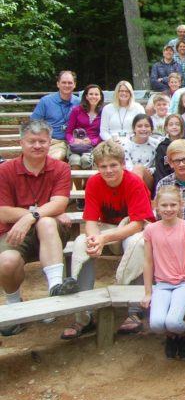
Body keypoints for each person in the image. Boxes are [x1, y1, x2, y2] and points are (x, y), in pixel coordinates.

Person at [66, 141, 154, 338]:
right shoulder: (94, 182)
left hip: (132, 226)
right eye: (103, 166)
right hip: (109, 228)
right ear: (97, 167)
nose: (108, 170)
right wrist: (94, 239)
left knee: (138, 244)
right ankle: (84, 313)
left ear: (123, 164)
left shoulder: (134, 182)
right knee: (82, 242)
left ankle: (134, 310)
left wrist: (104, 238)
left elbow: (138, 224)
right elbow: (90, 219)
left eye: (113, 165)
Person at [0, 120, 78, 336]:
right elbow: (3, 211)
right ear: (21, 142)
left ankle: (55, 290)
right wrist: (33, 216)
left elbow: (60, 203)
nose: (37, 146)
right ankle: (14, 304)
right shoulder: (5, 170)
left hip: (50, 230)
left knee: (45, 222)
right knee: (7, 261)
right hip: (12, 232)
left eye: (42, 141)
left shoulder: (60, 168)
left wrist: (33, 216)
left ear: (50, 143)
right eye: (31, 141)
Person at [141, 186, 185, 359]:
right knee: (156, 324)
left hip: (184, 283)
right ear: (156, 206)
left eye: (173, 205)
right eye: (164, 205)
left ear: (180, 205)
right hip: (162, 284)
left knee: (173, 321)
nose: (168, 209)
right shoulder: (151, 230)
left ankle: (183, 334)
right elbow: (148, 262)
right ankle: (171, 336)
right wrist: (148, 293)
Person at [30, 70, 81, 161]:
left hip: (74, 141)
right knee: (54, 158)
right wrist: (43, 139)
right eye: (63, 82)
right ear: (58, 84)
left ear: (74, 85)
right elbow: (34, 123)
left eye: (70, 83)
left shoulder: (80, 102)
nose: (67, 85)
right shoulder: (46, 101)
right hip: (53, 141)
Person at [66, 84, 103, 176]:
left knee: (86, 160)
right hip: (76, 145)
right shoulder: (76, 111)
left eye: (96, 94)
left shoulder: (104, 112)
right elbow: (68, 132)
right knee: (75, 160)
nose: (93, 97)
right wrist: (73, 140)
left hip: (92, 146)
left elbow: (103, 132)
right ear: (86, 96)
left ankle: (86, 187)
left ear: (100, 96)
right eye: (91, 94)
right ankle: (78, 189)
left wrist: (92, 141)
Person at [121, 114, 158, 189]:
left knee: (138, 168)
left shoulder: (156, 144)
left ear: (151, 128)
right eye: (139, 126)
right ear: (134, 129)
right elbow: (128, 167)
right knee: (137, 169)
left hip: (148, 178)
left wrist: (152, 170)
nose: (143, 129)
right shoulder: (125, 144)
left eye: (147, 126)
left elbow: (159, 165)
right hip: (128, 178)